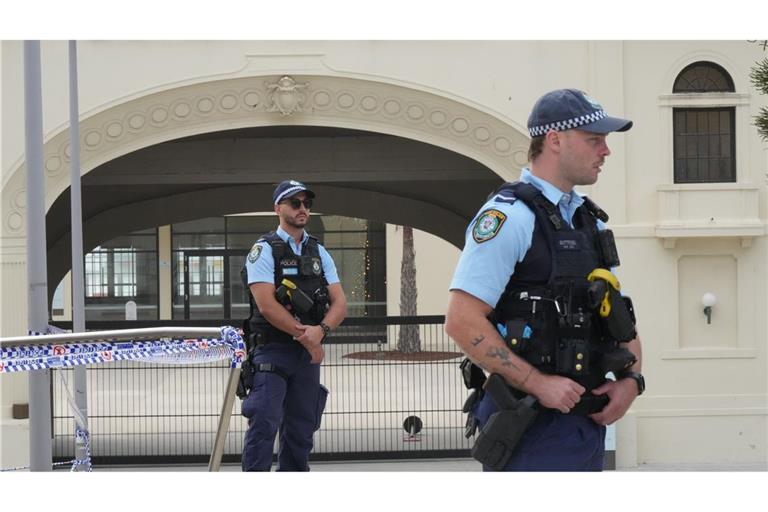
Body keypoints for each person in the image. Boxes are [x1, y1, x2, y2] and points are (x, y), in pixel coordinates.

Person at [445, 89, 644, 471]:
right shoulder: (510, 218)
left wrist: (632, 382)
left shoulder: (590, 222)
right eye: (594, 140)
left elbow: (618, 314)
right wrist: (538, 383)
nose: (606, 151)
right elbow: (461, 320)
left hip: (584, 424)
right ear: (555, 140)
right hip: (530, 425)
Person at [240, 179, 347, 471]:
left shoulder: (318, 252)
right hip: (272, 350)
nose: (303, 209)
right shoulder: (263, 250)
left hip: (305, 356)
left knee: (301, 431)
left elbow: (340, 303)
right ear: (278, 208)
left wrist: (321, 331)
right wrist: (309, 338)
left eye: (307, 204)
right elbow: (266, 305)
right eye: (295, 203)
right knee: (263, 424)